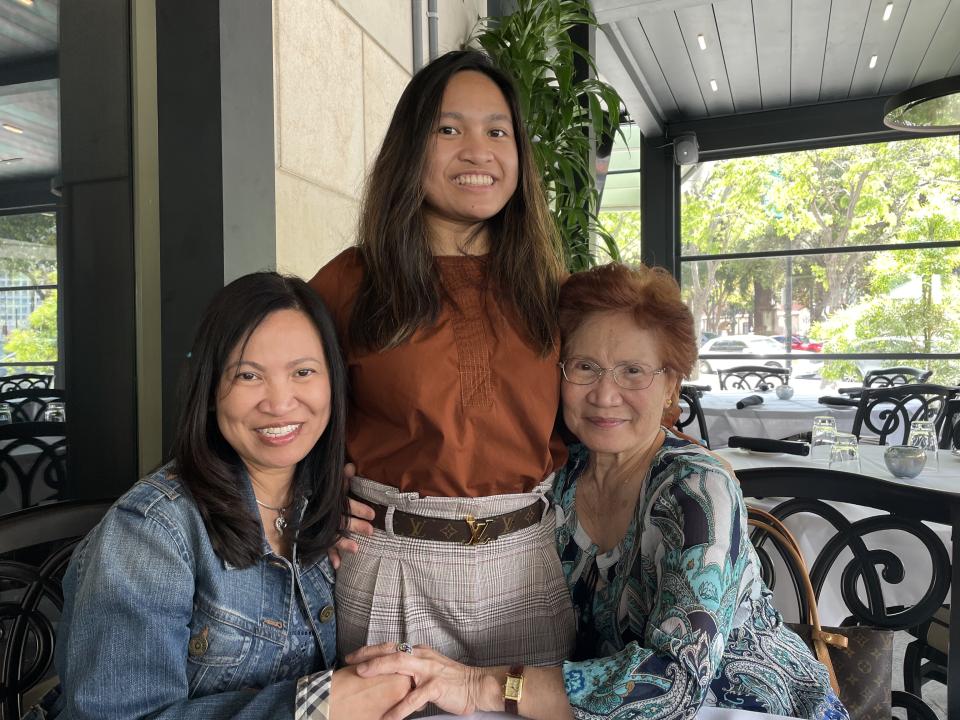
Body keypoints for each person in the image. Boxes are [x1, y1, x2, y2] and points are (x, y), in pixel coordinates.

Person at [348, 263, 849, 720]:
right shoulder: (558, 473)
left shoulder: (695, 490)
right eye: (584, 367)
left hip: (751, 710)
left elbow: (673, 684)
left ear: (671, 386)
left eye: (633, 371)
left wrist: (483, 685)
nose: (605, 396)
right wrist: (341, 506)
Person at [40, 273, 411, 719]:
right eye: (248, 375)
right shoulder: (149, 533)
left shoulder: (325, 510)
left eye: (303, 372)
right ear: (212, 391)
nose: (279, 402)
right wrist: (315, 705)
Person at [309, 50, 573, 666]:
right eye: (448, 129)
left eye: (497, 131)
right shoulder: (350, 284)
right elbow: (279, 412)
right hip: (388, 566)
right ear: (409, 150)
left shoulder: (550, 287)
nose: (477, 151)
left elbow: (608, 414)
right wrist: (307, 503)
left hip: (527, 564)